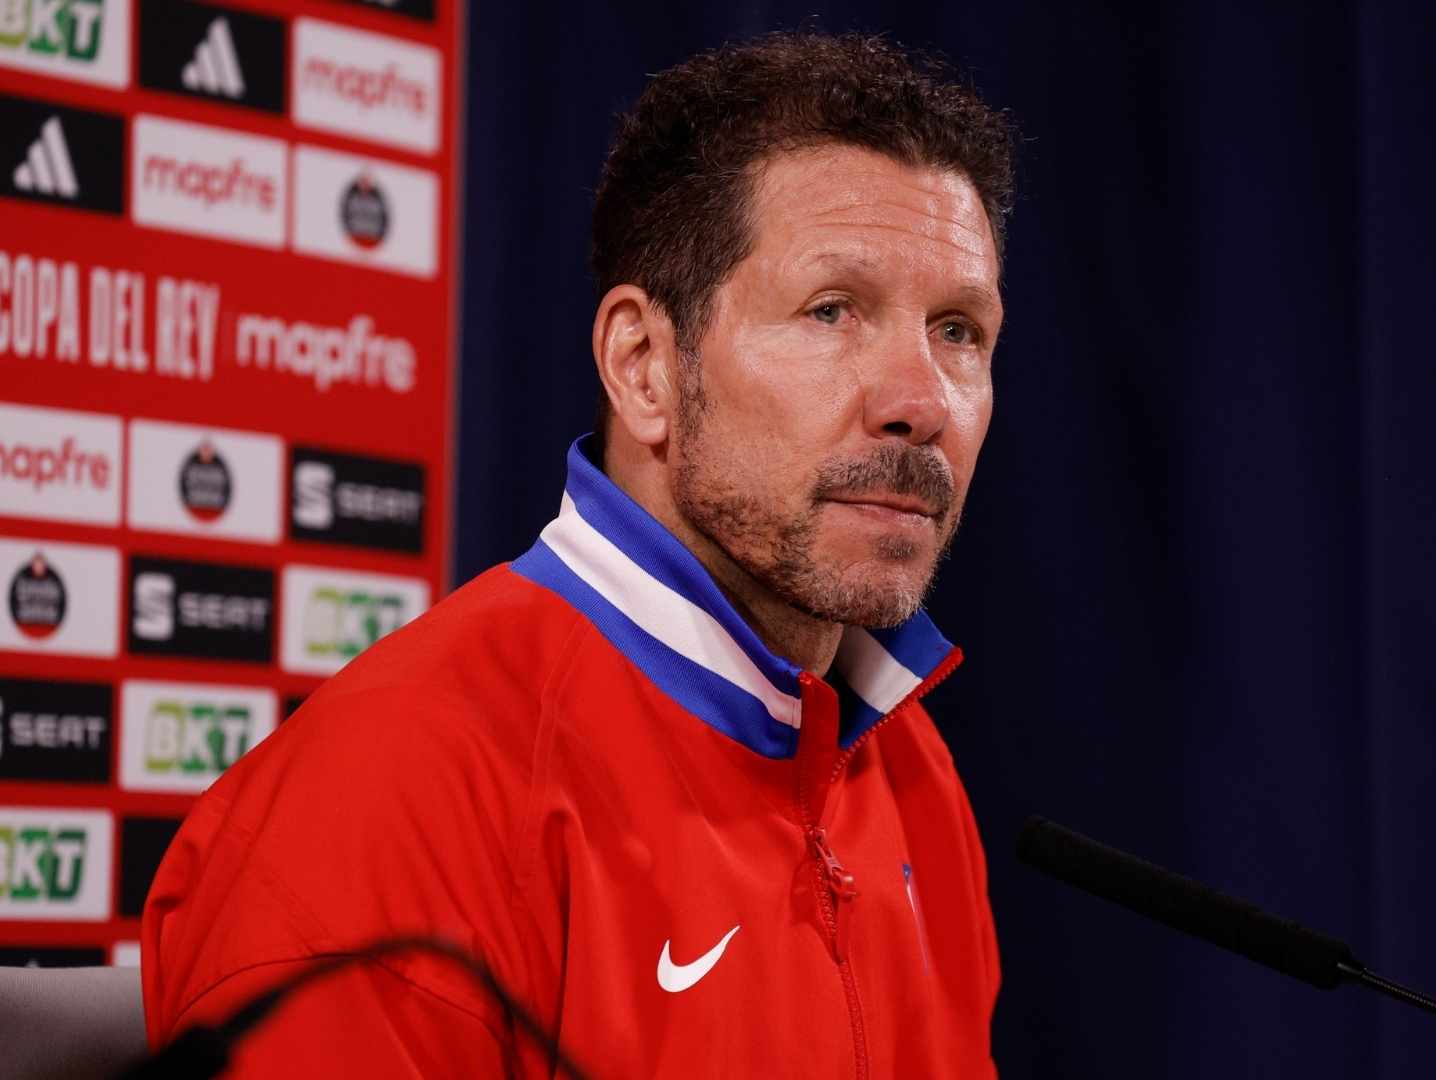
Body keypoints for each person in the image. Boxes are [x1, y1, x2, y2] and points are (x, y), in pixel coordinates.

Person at [142, 31, 1015, 1077]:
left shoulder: (911, 768)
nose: (921, 402)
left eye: (959, 331)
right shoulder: (385, 800)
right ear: (643, 367)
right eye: (831, 312)